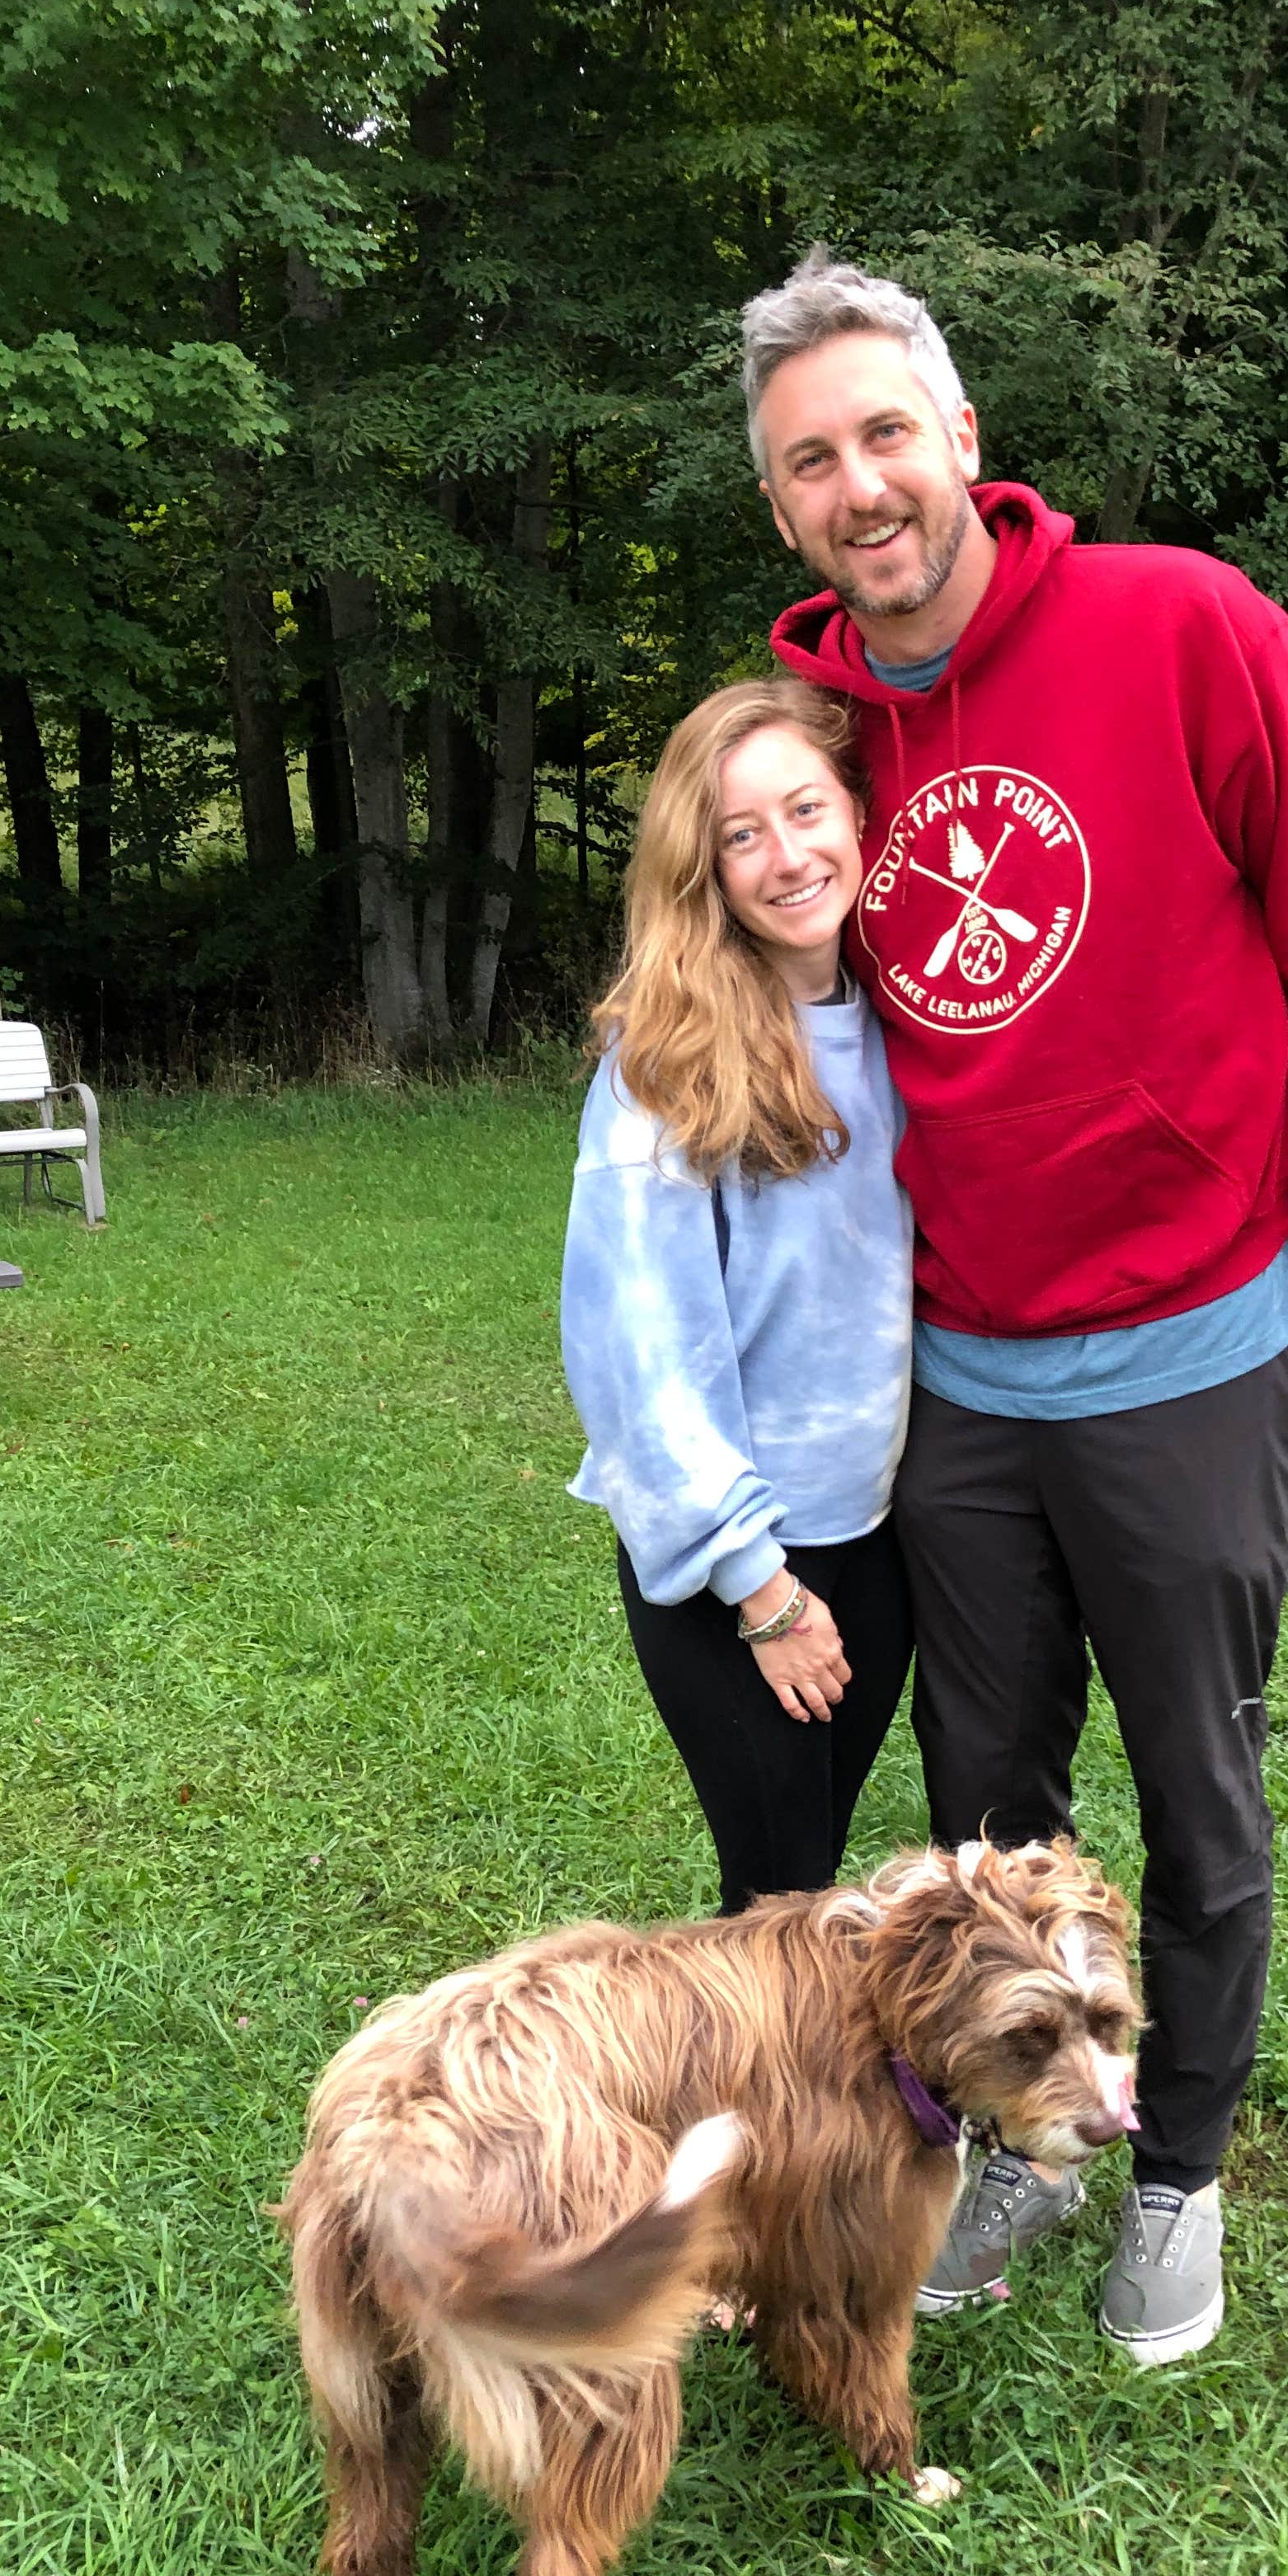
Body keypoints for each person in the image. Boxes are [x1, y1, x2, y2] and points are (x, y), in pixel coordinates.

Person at [748, 251, 1288, 2362]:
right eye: (807, 462)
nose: (859, 486)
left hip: (1203, 1346)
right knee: (984, 1824)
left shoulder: (1181, 623)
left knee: (1202, 1807)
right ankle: (1008, 2159)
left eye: (881, 433)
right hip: (959, 1383)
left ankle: (1177, 2176)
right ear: (783, 511)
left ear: (960, 433)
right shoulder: (821, 736)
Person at [562, 679, 917, 1917]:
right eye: (740, 833)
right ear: (701, 866)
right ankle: (743, 2113)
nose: (787, 855)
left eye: (805, 809)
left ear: (859, 815)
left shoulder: (912, 1028)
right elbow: (633, 1360)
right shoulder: (662, 1066)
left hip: (881, 1538)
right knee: (782, 1911)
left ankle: (758, 2110)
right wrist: (763, 1593)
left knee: (794, 1896)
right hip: (741, 1568)